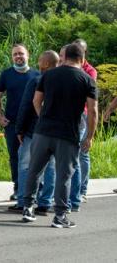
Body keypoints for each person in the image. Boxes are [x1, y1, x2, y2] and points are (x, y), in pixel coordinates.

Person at [21, 43, 97, 228]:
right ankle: (60, 215)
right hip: (68, 134)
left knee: (34, 170)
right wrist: (89, 136)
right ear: (81, 59)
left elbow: (36, 100)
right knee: (64, 175)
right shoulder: (87, 80)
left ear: (65, 57)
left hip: (43, 131)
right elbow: (93, 111)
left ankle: (28, 207)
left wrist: (43, 118)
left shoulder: (48, 75)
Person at [9, 51, 58, 214]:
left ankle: (23, 200)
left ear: (44, 64)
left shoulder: (36, 80)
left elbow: (26, 105)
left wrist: (19, 129)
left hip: (33, 130)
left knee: (24, 165)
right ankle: (45, 202)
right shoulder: (61, 81)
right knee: (50, 167)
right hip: (54, 131)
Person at [0, 44, 39, 200]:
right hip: (12, 123)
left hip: (32, 124)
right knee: (15, 156)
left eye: (21, 53)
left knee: (34, 157)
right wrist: (0, 116)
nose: (18, 57)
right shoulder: (6, 74)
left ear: (28, 55)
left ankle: (35, 189)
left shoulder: (36, 75)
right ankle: (18, 188)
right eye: (15, 54)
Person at [69, 38, 95, 207]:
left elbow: (90, 96)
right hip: (69, 114)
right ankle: (72, 189)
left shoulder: (90, 71)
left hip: (84, 114)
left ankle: (82, 190)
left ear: (84, 52)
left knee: (82, 153)